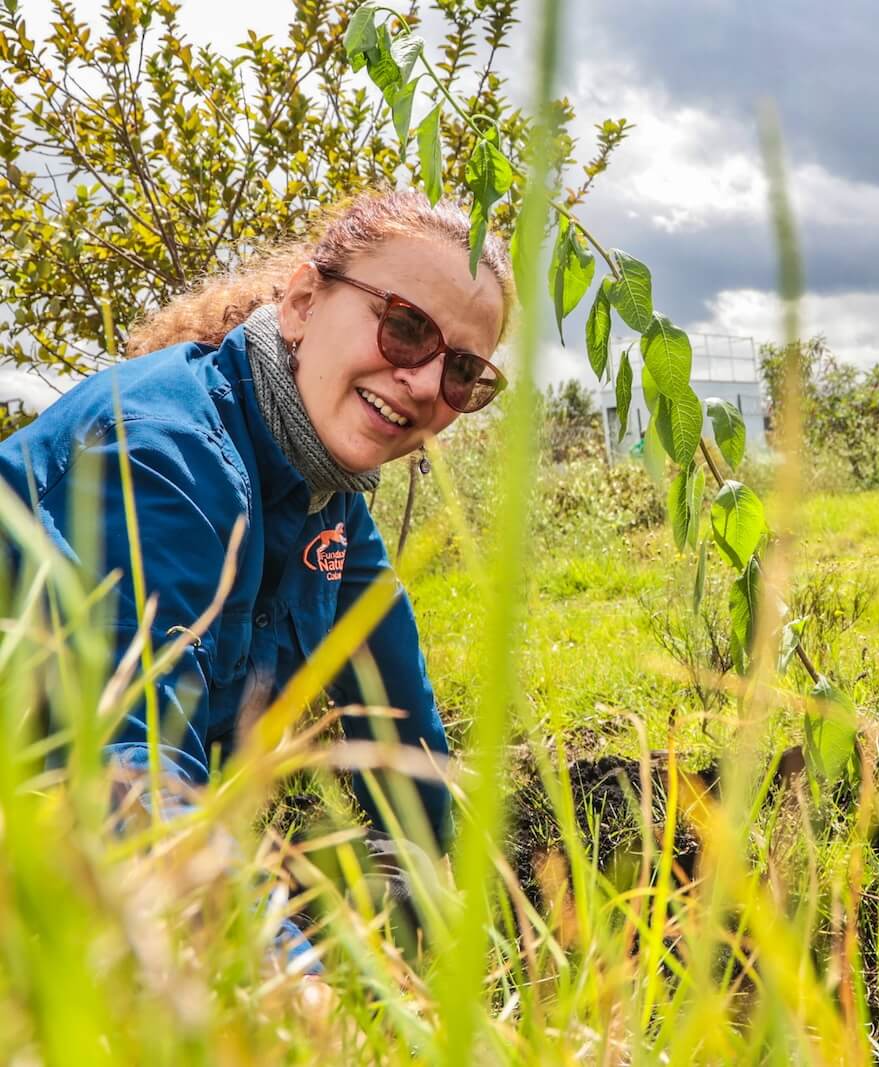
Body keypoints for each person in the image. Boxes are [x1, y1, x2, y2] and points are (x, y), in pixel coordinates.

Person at [0, 190, 510, 889]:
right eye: (405, 326)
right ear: (303, 302)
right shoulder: (166, 457)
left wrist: (436, 873)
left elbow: (396, 707)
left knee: (401, 891)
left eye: (462, 371)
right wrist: (282, 955)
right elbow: (131, 782)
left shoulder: (324, 495)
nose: (424, 384)